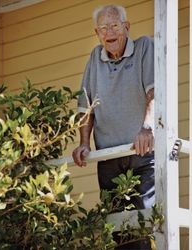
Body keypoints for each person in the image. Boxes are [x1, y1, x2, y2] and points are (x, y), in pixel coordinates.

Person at [72, 4, 154, 249]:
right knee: (118, 231)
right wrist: (84, 143)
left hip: (141, 153)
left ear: (126, 27)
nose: (109, 32)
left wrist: (147, 128)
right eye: (103, 28)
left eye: (114, 26)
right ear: (97, 33)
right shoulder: (94, 58)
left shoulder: (143, 47)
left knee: (142, 224)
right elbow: (85, 107)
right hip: (109, 160)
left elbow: (155, 93)